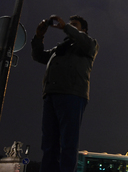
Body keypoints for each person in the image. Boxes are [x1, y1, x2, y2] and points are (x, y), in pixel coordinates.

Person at [31, 15, 99, 172]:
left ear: (84, 30)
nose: (70, 27)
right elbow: (38, 56)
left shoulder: (89, 44)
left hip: (72, 94)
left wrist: (66, 28)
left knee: (68, 143)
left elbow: (85, 42)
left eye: (75, 25)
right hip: (51, 95)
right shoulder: (59, 49)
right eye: (70, 25)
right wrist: (39, 36)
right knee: (49, 143)